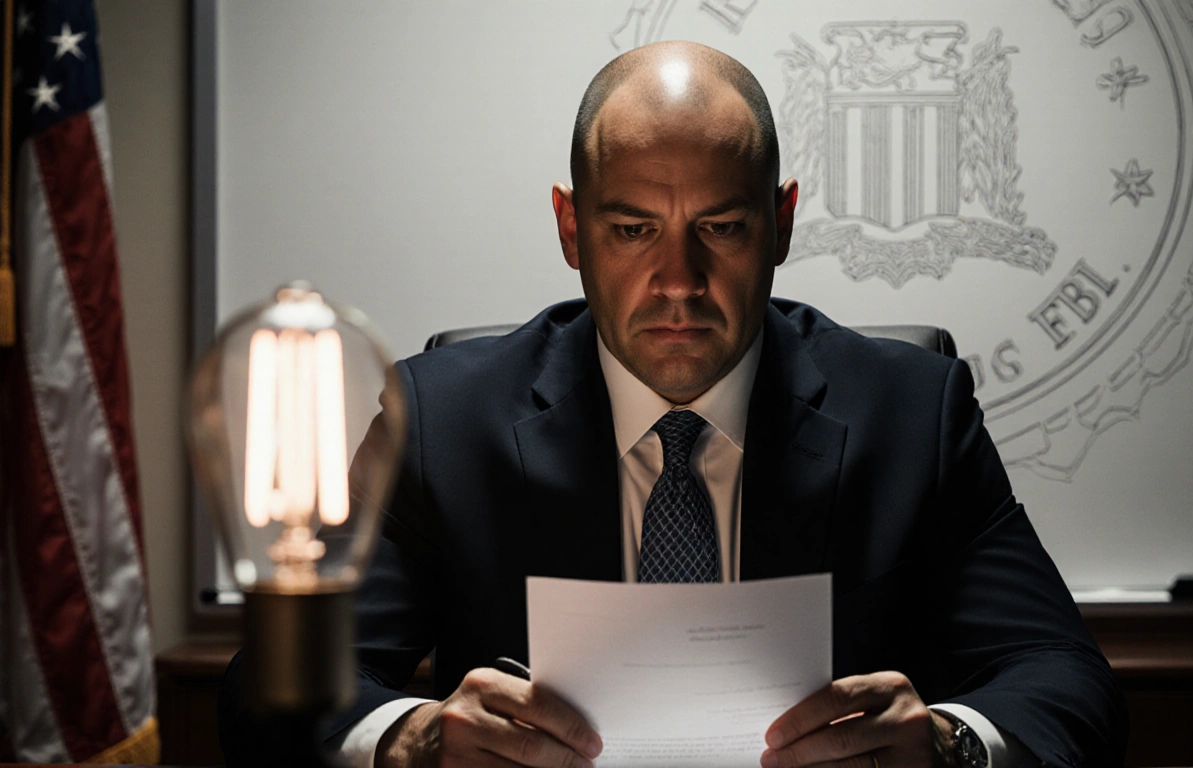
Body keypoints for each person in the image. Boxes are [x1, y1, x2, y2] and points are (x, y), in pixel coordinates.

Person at [221, 41, 1126, 768]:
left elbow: (1063, 682)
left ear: (782, 221)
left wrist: (946, 742)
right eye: (632, 230)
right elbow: (271, 695)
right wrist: (412, 740)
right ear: (571, 228)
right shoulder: (439, 420)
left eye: (722, 230)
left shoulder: (913, 411)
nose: (679, 283)